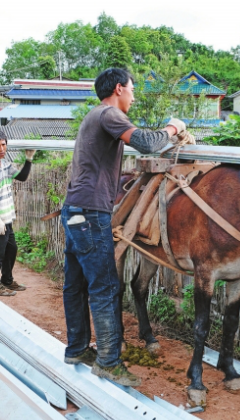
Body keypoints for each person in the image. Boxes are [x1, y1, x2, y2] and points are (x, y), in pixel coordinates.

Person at [61, 67, 186, 387]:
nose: (133, 95)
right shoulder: (108, 114)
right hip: (90, 215)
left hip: (75, 211)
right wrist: (174, 127)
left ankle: (76, 349)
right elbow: (146, 142)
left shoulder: (95, 116)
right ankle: (108, 361)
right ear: (118, 89)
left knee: (75, 285)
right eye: (132, 89)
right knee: (104, 287)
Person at [0, 130, 35, 297]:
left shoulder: (5, 164)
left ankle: (7, 281)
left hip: (7, 218)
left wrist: (29, 159)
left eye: (3, 144)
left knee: (11, 250)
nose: (2, 148)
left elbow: (22, 177)